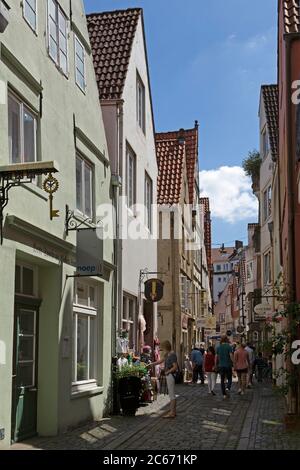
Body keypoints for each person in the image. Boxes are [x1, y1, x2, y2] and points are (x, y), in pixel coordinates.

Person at [147, 340, 178, 418]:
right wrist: (151, 364)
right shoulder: (167, 354)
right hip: (168, 375)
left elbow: (175, 367)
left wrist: (168, 372)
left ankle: (172, 413)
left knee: (172, 395)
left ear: (166, 347)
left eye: (162, 348)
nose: (161, 349)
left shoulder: (172, 355)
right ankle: (172, 412)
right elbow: (160, 361)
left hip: (171, 375)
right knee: (171, 394)